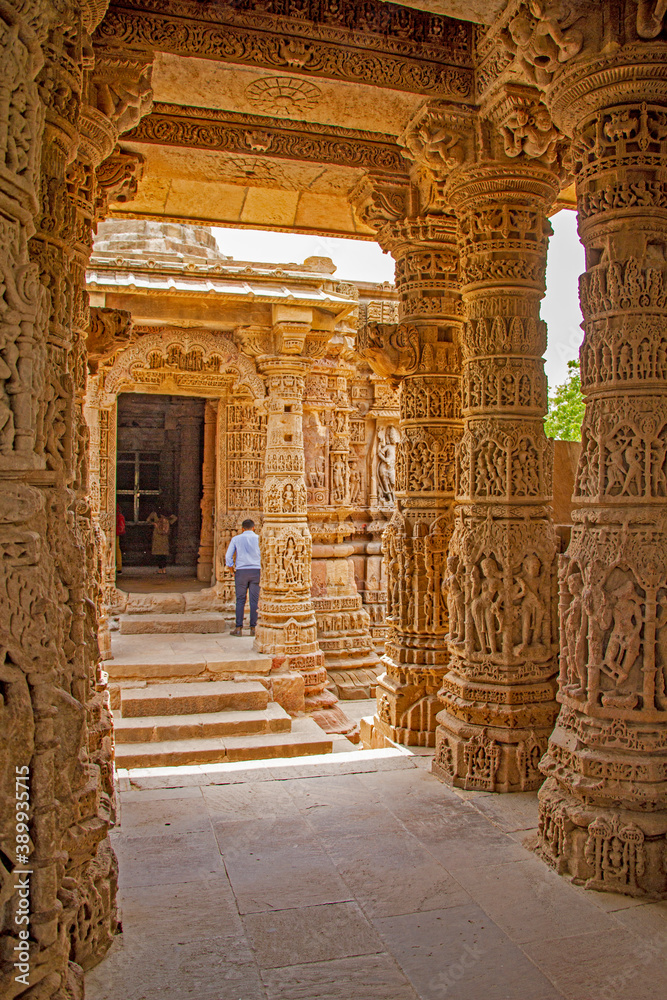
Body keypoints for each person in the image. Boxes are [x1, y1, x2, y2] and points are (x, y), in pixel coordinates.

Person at [226, 519, 261, 636]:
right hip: (256, 571)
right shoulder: (258, 539)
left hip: (241, 571)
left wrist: (232, 571)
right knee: (254, 601)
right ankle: (253, 628)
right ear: (254, 528)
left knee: (240, 600)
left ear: (242, 529)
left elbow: (228, 557)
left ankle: (239, 628)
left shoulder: (236, 539)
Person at [147, 508, 177, 574]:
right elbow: (175, 518)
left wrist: (154, 523)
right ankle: (164, 569)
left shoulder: (154, 514)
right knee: (164, 553)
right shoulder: (166, 515)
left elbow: (148, 520)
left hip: (157, 535)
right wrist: (169, 521)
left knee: (158, 554)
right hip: (165, 536)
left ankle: (160, 569)